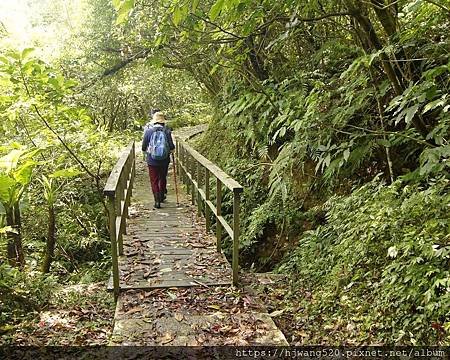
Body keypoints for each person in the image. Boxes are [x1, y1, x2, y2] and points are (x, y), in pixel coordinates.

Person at [142, 112, 175, 209]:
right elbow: (172, 146)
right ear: (163, 122)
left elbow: (144, 147)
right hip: (164, 159)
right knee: (163, 177)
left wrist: (147, 152)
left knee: (154, 180)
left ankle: (157, 201)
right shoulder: (167, 131)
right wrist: (171, 151)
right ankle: (161, 196)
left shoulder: (148, 131)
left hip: (152, 160)